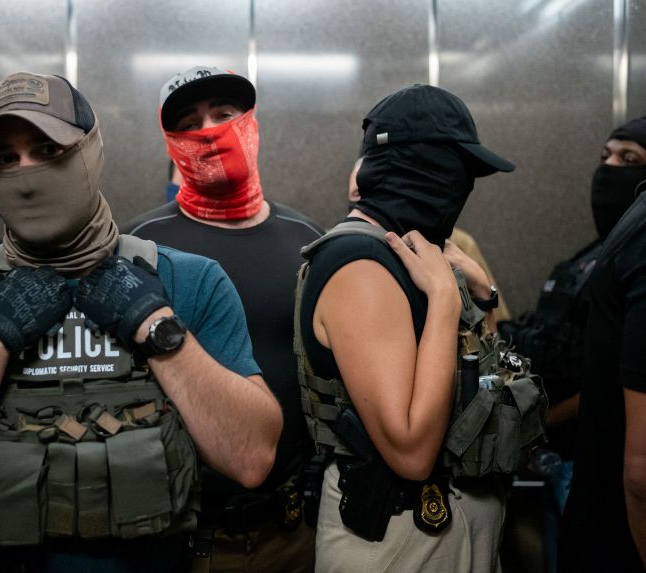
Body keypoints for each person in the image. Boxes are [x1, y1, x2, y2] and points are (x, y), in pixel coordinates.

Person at [0, 71, 283, 573]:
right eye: (4, 160)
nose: (27, 173)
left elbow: (251, 457)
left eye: (48, 150)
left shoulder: (186, 280)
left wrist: (157, 327)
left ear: (90, 152)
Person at [298, 84, 516, 572]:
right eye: (453, 169)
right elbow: (412, 452)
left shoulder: (418, 254)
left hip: (456, 524)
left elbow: (485, 384)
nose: (462, 188)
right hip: (399, 533)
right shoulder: (360, 263)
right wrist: (442, 299)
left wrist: (482, 296)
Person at [123, 66, 323, 572]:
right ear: (173, 144)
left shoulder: (308, 242)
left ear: (250, 124)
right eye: (190, 123)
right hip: (174, 535)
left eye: (224, 114)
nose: (209, 130)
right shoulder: (139, 247)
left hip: (292, 531)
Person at [559, 116, 646, 572]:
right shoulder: (611, 251)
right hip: (607, 517)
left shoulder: (630, 241)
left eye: (629, 160)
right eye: (606, 156)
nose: (610, 170)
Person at [348, 156, 512, 322]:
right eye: (358, 194)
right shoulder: (349, 251)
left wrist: (482, 289)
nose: (366, 202)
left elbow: (495, 335)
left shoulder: (455, 243)